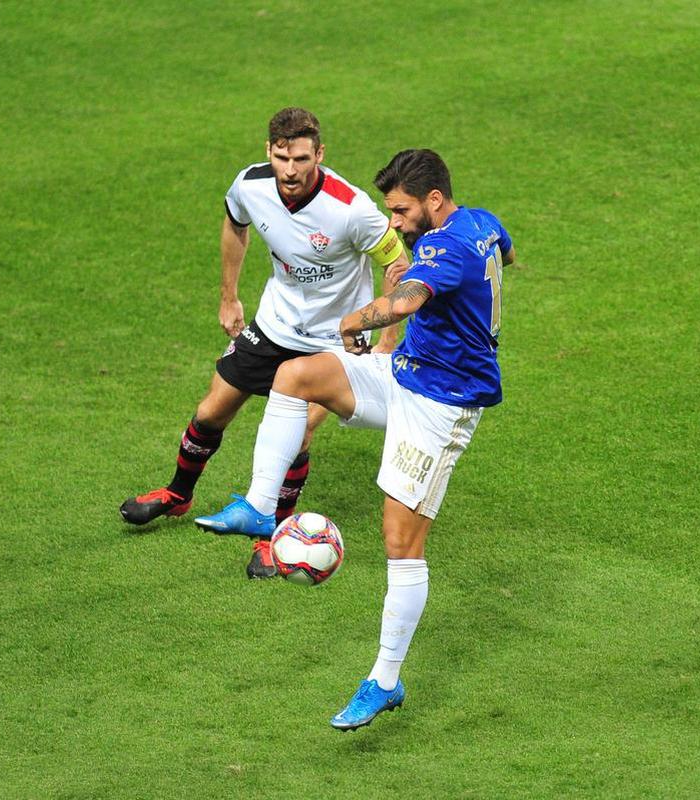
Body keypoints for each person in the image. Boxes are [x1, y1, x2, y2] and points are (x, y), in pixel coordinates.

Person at [201, 149, 514, 729]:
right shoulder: (481, 223)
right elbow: (507, 254)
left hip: (441, 406)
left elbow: (407, 301)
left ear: (434, 201)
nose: (394, 222)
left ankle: (385, 681)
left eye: (402, 211)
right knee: (295, 375)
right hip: (405, 374)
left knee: (400, 541)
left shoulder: (446, 248)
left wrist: (355, 319)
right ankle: (262, 507)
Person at [119, 107, 409, 580]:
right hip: (275, 324)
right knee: (210, 411)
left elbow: (398, 265)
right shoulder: (250, 184)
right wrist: (228, 296)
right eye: (281, 157)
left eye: (301, 159)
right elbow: (236, 223)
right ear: (268, 151)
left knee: (300, 434)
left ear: (320, 154)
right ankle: (178, 494)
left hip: (332, 342)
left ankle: (273, 534)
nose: (290, 170)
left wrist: (387, 339)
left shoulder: (351, 209)